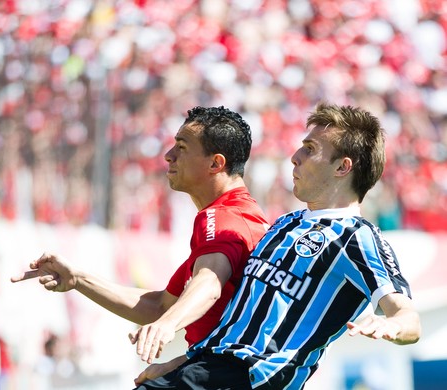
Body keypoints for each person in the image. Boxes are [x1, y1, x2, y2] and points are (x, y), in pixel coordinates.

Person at [133, 102, 422, 389]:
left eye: (309, 149)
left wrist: (392, 324)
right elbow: (239, 323)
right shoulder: (284, 224)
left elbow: (408, 318)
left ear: (342, 167)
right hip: (207, 370)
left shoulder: (357, 236)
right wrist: (181, 364)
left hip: (250, 381)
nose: (295, 157)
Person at [11, 106, 269, 372]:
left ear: (215, 163)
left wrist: (167, 325)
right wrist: (79, 280)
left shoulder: (223, 217)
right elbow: (159, 306)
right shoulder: (240, 216)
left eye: (182, 147)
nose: (169, 156)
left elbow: (210, 282)